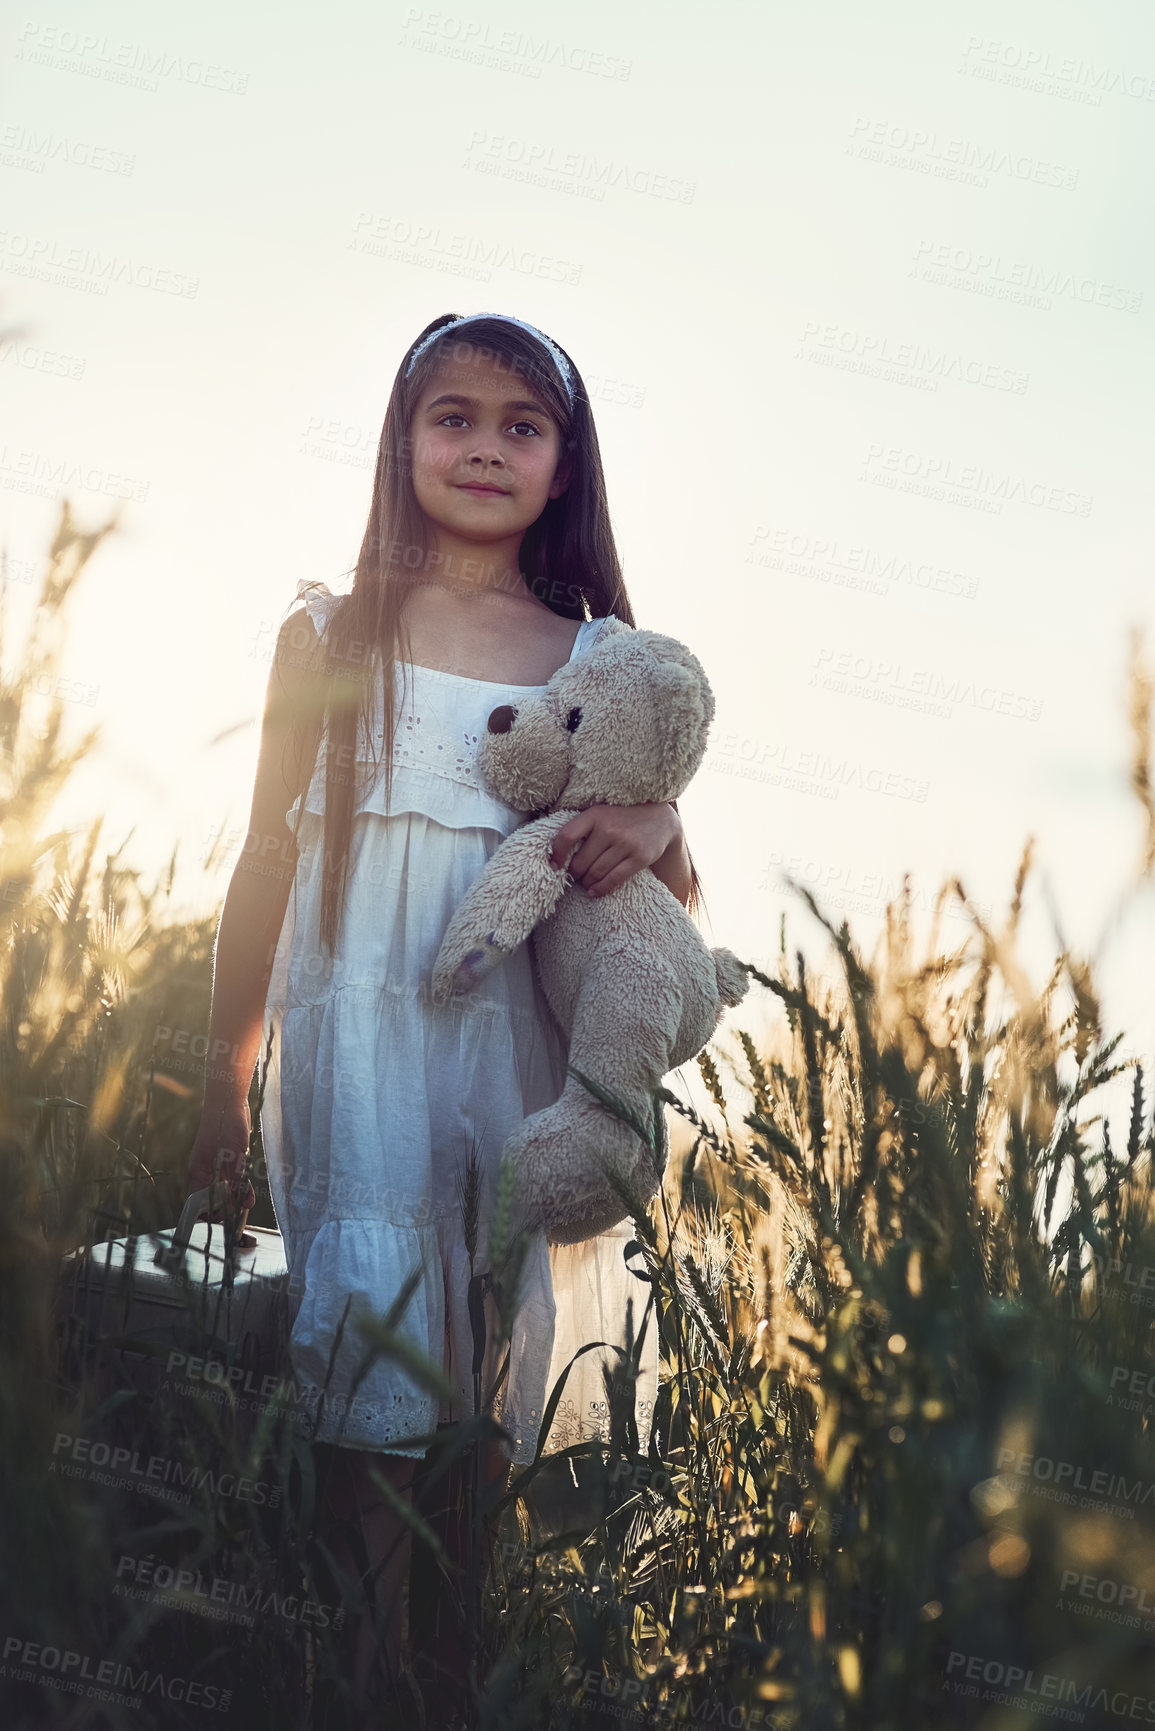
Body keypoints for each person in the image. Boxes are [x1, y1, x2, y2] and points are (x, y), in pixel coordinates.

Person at [186, 311, 704, 1722]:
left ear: (563, 465)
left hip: (512, 1046)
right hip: (360, 1038)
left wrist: (650, 813)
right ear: (402, 442)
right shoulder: (329, 634)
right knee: (374, 1347)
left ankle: (454, 1669)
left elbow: (673, 899)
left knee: (485, 1360)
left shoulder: (599, 653)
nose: (484, 445)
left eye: (520, 426)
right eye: (453, 416)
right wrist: (223, 1066)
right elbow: (267, 856)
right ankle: (357, 1674)